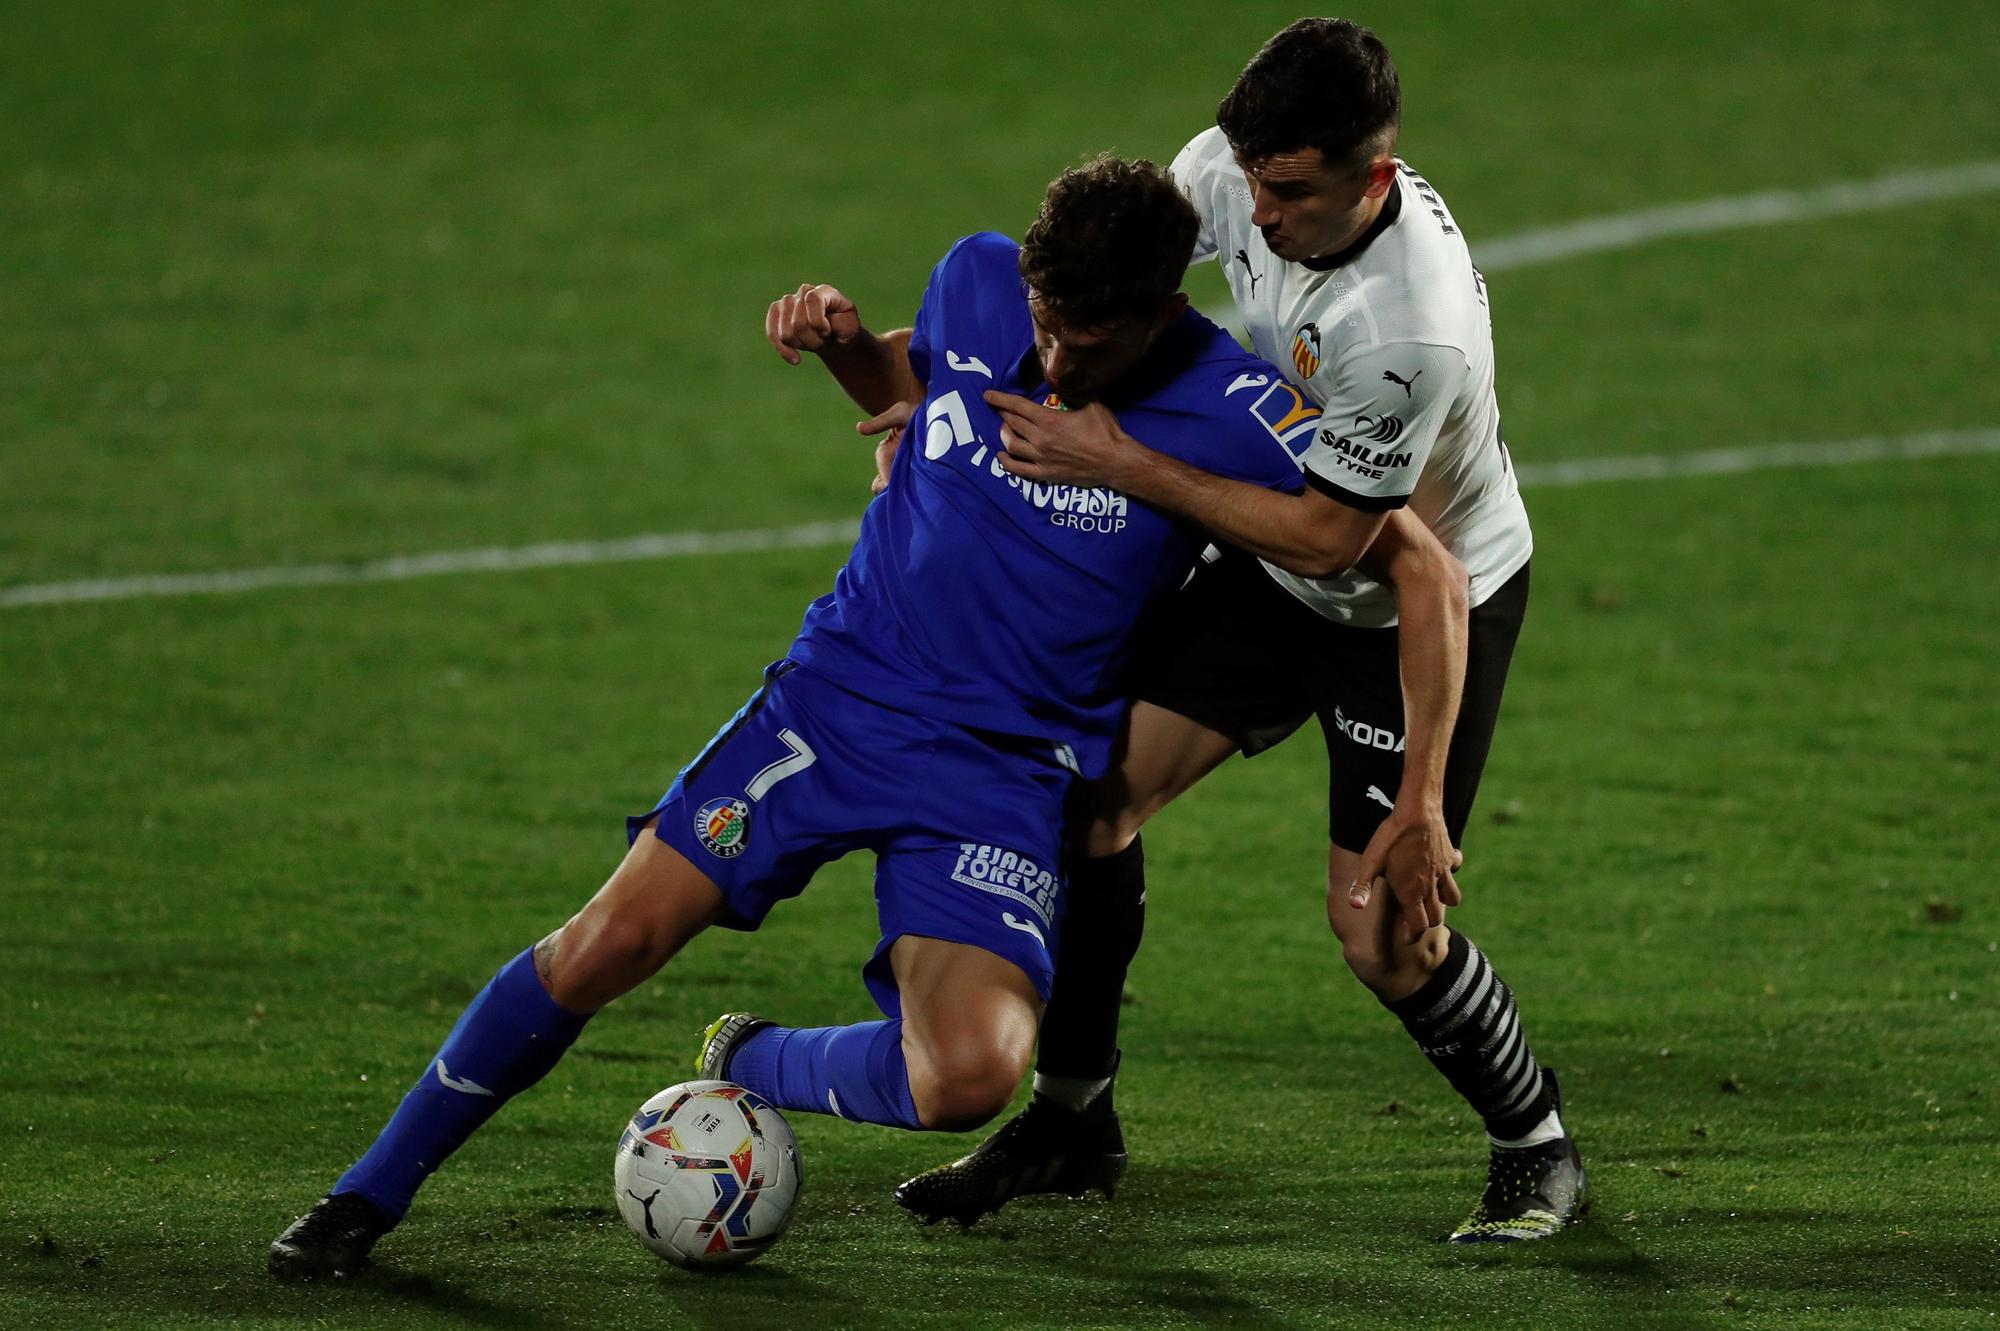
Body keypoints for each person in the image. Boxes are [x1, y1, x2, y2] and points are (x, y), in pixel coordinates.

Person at [266, 154, 1463, 1281]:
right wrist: (848, 351)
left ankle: (748, 1057)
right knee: (607, 944)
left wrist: (1414, 792)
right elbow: (920, 393)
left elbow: (1401, 556)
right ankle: (365, 1194)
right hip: (838, 703)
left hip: (1000, 771)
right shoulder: (976, 276)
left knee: (970, 1077)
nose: (1051, 359)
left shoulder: (1232, 407)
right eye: (1042, 323)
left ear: (1161, 310)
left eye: (1086, 340)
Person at [895, 19, 1588, 1244]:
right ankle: (1071, 1117)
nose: (1259, 216)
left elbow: (1343, 542)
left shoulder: (1403, 330)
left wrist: (1420, 800)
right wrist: (925, 379)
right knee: (1086, 804)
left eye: (1291, 192)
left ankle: (1534, 1147)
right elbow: (1111, 284)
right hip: (1275, 572)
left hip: (1413, 604)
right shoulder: (1231, 169)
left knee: (1382, 929)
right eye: (1252, 181)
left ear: (1370, 179)